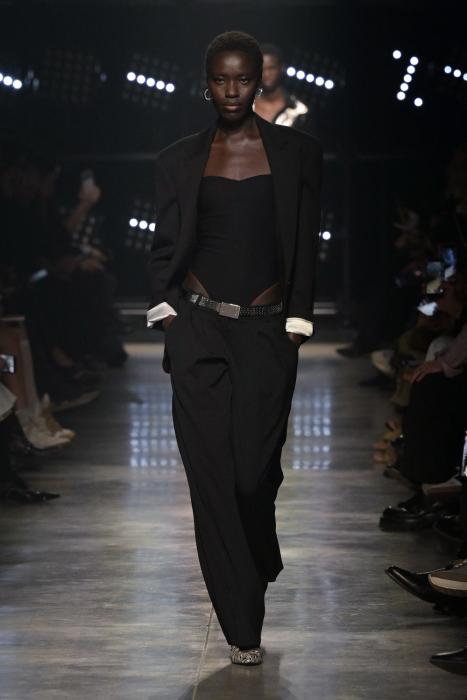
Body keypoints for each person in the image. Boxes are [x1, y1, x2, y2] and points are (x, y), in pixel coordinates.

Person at [146, 30, 323, 665]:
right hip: (198, 330)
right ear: (206, 84)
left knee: (252, 474)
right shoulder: (178, 159)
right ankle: (242, 626)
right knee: (213, 480)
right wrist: (171, 319)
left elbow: (306, 241)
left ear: (259, 81)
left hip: (267, 331)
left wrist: (298, 321)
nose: (231, 90)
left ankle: (260, 550)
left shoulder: (298, 154)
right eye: (220, 80)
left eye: (242, 79)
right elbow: (164, 247)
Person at [254, 42, 312, 133]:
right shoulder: (244, 103)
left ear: (281, 68)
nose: (266, 74)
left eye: (271, 68)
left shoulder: (298, 110)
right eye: (262, 69)